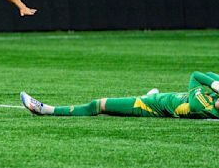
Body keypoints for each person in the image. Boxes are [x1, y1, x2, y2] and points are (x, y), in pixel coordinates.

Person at [21, 71, 219, 119]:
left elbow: (197, 76)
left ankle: (47, 110)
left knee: (97, 104)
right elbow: (210, 75)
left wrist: (214, 84)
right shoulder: (214, 102)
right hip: (157, 99)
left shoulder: (201, 105)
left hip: (148, 106)